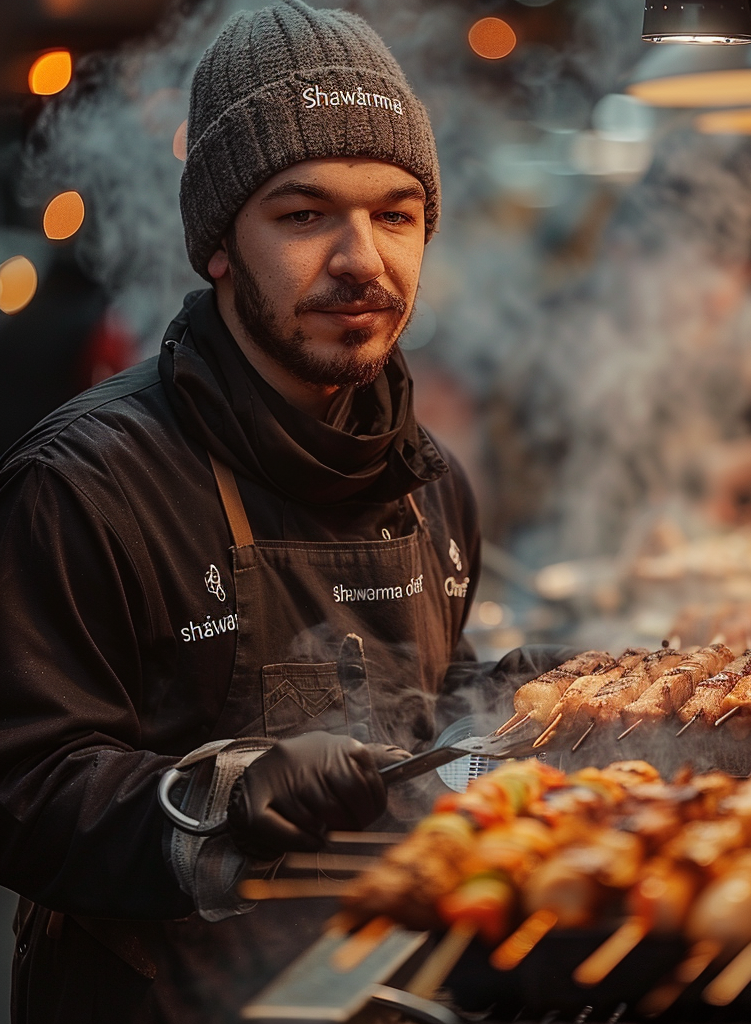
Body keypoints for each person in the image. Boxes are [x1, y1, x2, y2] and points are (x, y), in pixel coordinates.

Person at [0, 2, 511, 1020]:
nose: (362, 257)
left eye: (395, 212)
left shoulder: (433, 483)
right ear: (220, 243)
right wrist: (226, 790)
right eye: (305, 213)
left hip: (383, 987)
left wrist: (523, 703)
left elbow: (427, 709)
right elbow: (25, 789)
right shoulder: (84, 484)